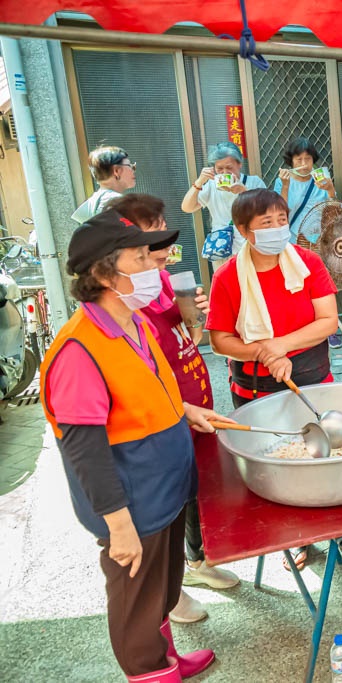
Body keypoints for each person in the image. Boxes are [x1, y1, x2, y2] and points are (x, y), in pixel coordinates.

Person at [40, 209, 229, 681]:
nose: (154, 266)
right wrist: (118, 524)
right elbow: (84, 449)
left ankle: (166, 658)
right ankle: (150, 671)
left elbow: (147, 389)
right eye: (141, 257)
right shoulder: (79, 350)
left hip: (164, 489)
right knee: (134, 603)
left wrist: (186, 410)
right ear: (106, 273)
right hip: (131, 503)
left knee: (162, 587)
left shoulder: (136, 322)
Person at [107, 194, 240, 625]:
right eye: (152, 233)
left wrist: (193, 316)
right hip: (162, 416)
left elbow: (186, 333)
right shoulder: (121, 299)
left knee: (193, 490)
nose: (164, 241)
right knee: (166, 504)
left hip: (192, 402)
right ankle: (169, 591)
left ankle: (196, 561)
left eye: (163, 227)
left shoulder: (161, 277)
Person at [206, 189, 337, 569]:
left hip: (310, 376)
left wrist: (279, 346)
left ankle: (332, 520)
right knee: (275, 463)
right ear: (244, 231)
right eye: (267, 223)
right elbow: (219, 341)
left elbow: (327, 320)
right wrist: (262, 353)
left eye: (282, 219)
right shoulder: (228, 276)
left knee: (319, 453)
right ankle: (294, 536)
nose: (278, 228)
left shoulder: (307, 263)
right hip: (255, 387)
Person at [182, 142, 267, 264]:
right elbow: (187, 207)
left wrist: (244, 192)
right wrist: (199, 182)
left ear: (239, 164)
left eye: (229, 168)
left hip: (251, 246)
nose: (224, 172)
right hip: (222, 248)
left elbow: (266, 211)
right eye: (220, 169)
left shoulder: (254, 182)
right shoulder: (211, 185)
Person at [273, 137, 336, 245]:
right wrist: (285, 186)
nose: (304, 164)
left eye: (308, 159)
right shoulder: (281, 181)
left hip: (319, 244)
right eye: (299, 159)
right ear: (291, 161)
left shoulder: (321, 179)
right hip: (291, 243)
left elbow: (334, 213)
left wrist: (330, 190)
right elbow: (279, 213)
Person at [72, 146, 137, 224]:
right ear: (117, 171)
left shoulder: (94, 203)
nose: (133, 170)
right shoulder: (116, 203)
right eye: (130, 166)